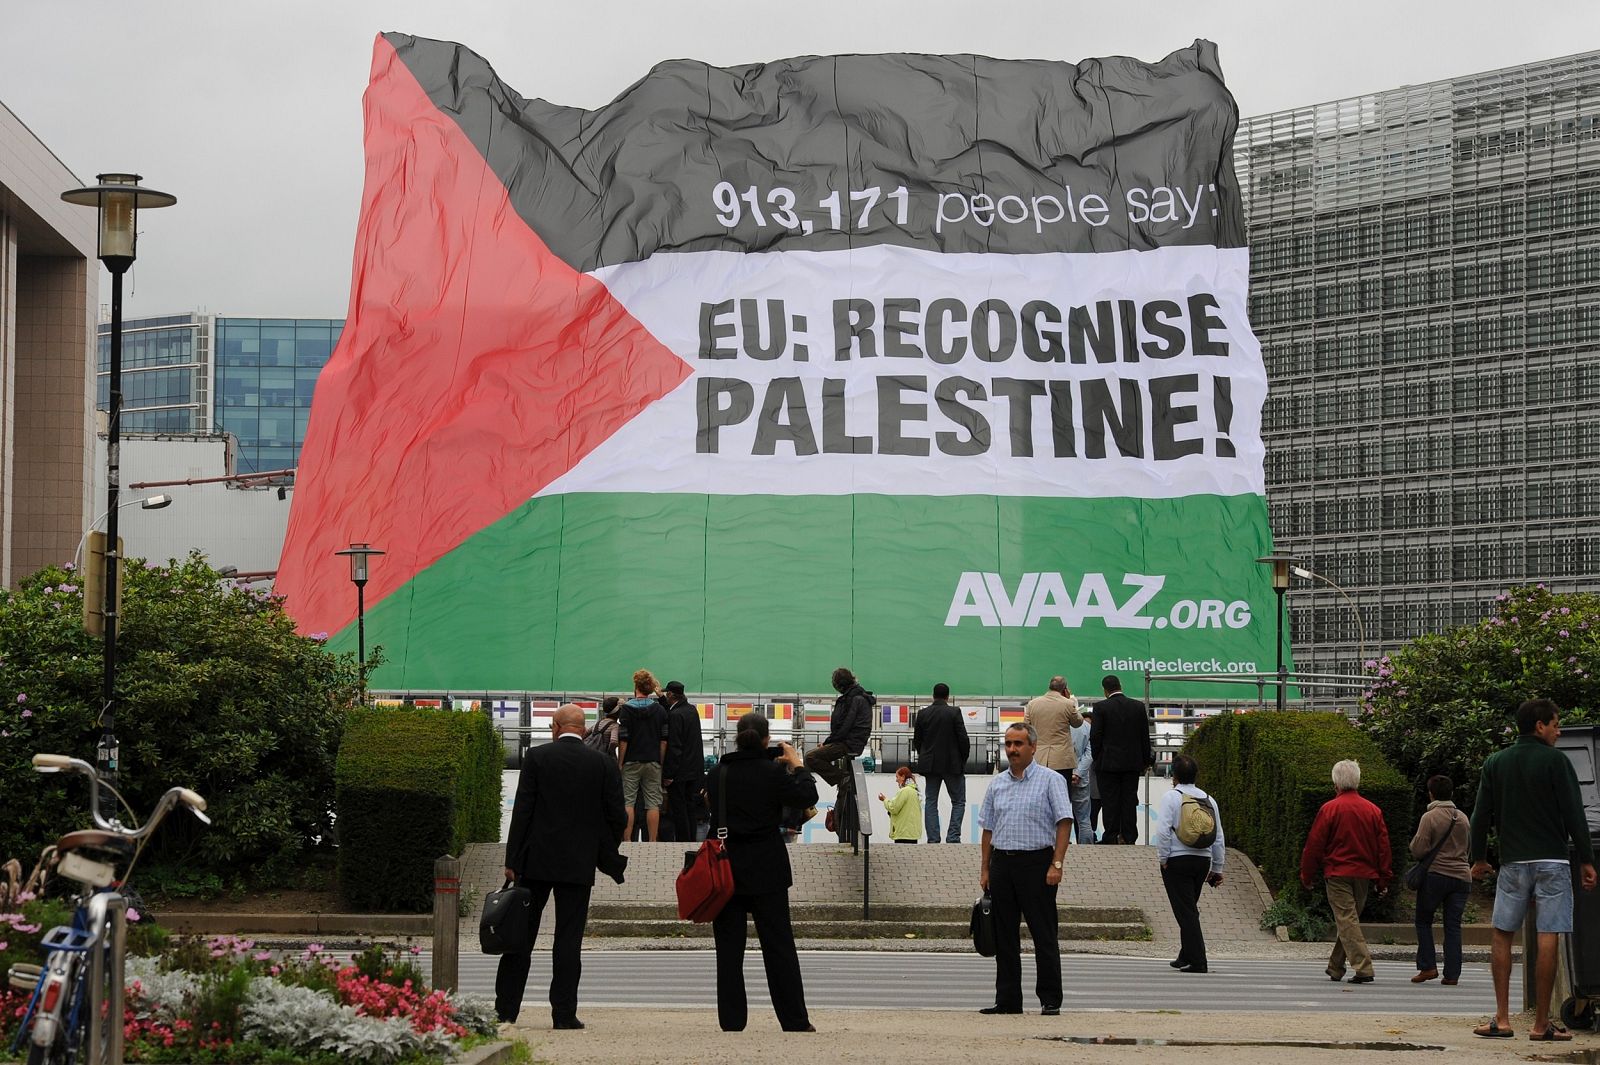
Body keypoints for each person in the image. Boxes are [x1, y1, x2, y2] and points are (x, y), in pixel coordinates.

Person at [1469, 698, 1597, 1041]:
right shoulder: (1556, 762)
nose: (1559, 731)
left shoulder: (1496, 763)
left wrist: (1479, 858)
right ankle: (1542, 1024)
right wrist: (1586, 859)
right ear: (1539, 725)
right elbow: (1574, 813)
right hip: (1552, 862)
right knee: (1548, 935)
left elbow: (1481, 815)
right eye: (1556, 724)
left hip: (1513, 863)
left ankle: (1502, 1018)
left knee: (1502, 933)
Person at [497, 704, 625, 1028]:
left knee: (521, 938)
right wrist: (602, 847)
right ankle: (564, 1014)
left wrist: (512, 860)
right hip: (578, 864)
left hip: (535, 861)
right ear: (583, 729)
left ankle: (506, 1011)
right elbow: (618, 817)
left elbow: (522, 811)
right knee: (569, 940)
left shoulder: (538, 758)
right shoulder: (602, 763)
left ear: (555, 726)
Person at [706, 712, 819, 1033]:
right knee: (779, 948)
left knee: (728, 952)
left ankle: (732, 1021)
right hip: (767, 868)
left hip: (725, 870)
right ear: (767, 740)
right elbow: (806, 796)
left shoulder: (717, 774)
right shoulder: (772, 773)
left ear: (736, 737)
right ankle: (794, 1020)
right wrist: (796, 763)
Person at [977, 722, 1073, 1016]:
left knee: (1043, 933)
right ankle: (1007, 1000)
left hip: (1037, 864)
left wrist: (1056, 863)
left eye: (1018, 744)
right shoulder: (997, 783)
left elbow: (1064, 822)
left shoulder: (1050, 780)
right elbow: (988, 829)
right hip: (1003, 864)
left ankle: (1050, 998)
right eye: (1008, 744)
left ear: (1033, 746)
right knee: (1004, 935)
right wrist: (985, 869)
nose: (1012, 750)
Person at [1299, 759, 1392, 984]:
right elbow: (1383, 847)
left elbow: (1315, 844)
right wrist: (1383, 878)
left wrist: (1307, 874)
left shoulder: (1329, 809)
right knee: (1349, 921)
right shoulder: (1373, 810)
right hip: (1364, 874)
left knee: (1347, 920)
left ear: (1335, 783)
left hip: (1338, 872)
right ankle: (1335, 966)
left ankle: (1363, 967)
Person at [1154, 754, 1225, 973]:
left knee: (1185, 912)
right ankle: (1184, 955)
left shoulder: (1172, 797)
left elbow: (1163, 830)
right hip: (1202, 860)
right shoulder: (1208, 799)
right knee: (1189, 908)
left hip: (1177, 860)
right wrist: (1217, 867)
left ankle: (1198, 960)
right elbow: (1219, 835)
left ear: (1174, 776)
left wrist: (1163, 858)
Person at [1409, 774, 1469, 986]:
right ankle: (1452, 974)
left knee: (1424, 921)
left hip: (1436, 876)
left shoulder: (1430, 817)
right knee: (1453, 925)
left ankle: (1428, 966)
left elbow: (1419, 849)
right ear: (1451, 793)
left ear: (1431, 793)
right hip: (1462, 876)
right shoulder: (1462, 817)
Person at [1088, 675, 1152, 845]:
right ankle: (1129, 836)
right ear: (1120, 685)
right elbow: (1144, 737)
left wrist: (1098, 758)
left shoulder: (1100, 707)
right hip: (1132, 763)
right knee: (1129, 800)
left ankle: (1111, 836)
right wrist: (1146, 761)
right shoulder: (1138, 706)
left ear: (1104, 689)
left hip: (1108, 764)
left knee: (1110, 801)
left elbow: (1095, 736)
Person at [912, 682, 970, 843]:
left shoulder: (923, 714)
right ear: (947, 697)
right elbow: (963, 739)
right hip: (952, 765)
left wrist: (925, 755)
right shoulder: (954, 712)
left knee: (931, 801)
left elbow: (917, 740)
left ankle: (933, 839)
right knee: (958, 801)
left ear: (933, 696)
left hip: (930, 765)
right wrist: (962, 760)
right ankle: (952, 837)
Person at [617, 669, 669, 842]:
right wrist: (659, 761)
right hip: (653, 760)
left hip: (631, 760)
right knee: (653, 802)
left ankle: (627, 840)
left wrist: (620, 762)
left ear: (636, 686)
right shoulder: (660, 710)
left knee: (628, 801)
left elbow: (623, 739)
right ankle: (653, 841)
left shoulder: (626, 709)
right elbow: (664, 740)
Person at [805, 666, 875, 787]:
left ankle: (842, 778)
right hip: (853, 742)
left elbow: (844, 727)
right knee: (813, 756)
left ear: (839, 685)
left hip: (847, 744)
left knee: (810, 757)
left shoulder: (852, 699)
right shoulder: (860, 697)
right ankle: (842, 779)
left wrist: (827, 742)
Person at [1023, 676, 1084, 802]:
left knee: (1039, 796)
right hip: (1062, 759)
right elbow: (1078, 722)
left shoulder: (1033, 704)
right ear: (1065, 689)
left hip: (1038, 758)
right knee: (1061, 797)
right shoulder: (1068, 704)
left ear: (1049, 686)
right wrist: (1071, 701)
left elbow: (1026, 727)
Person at [662, 680, 705, 844]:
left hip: (679, 772)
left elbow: (674, 746)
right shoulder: (691, 710)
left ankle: (682, 841)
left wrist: (669, 774)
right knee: (689, 807)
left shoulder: (675, 715)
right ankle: (690, 840)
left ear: (671, 695)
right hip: (693, 769)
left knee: (678, 810)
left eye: (667, 693)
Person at [1070, 708, 1094, 845]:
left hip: (1059, 774)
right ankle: (1087, 852)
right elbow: (1090, 753)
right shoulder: (1087, 727)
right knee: (1084, 819)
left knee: (1057, 817)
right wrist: (1078, 772)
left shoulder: (1057, 724)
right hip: (1080, 778)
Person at [878, 767, 921, 843]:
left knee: (902, 854)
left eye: (897, 777)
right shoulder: (915, 791)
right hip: (913, 833)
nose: (896, 780)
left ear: (903, 777)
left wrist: (884, 799)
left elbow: (893, 808)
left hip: (903, 832)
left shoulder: (904, 791)